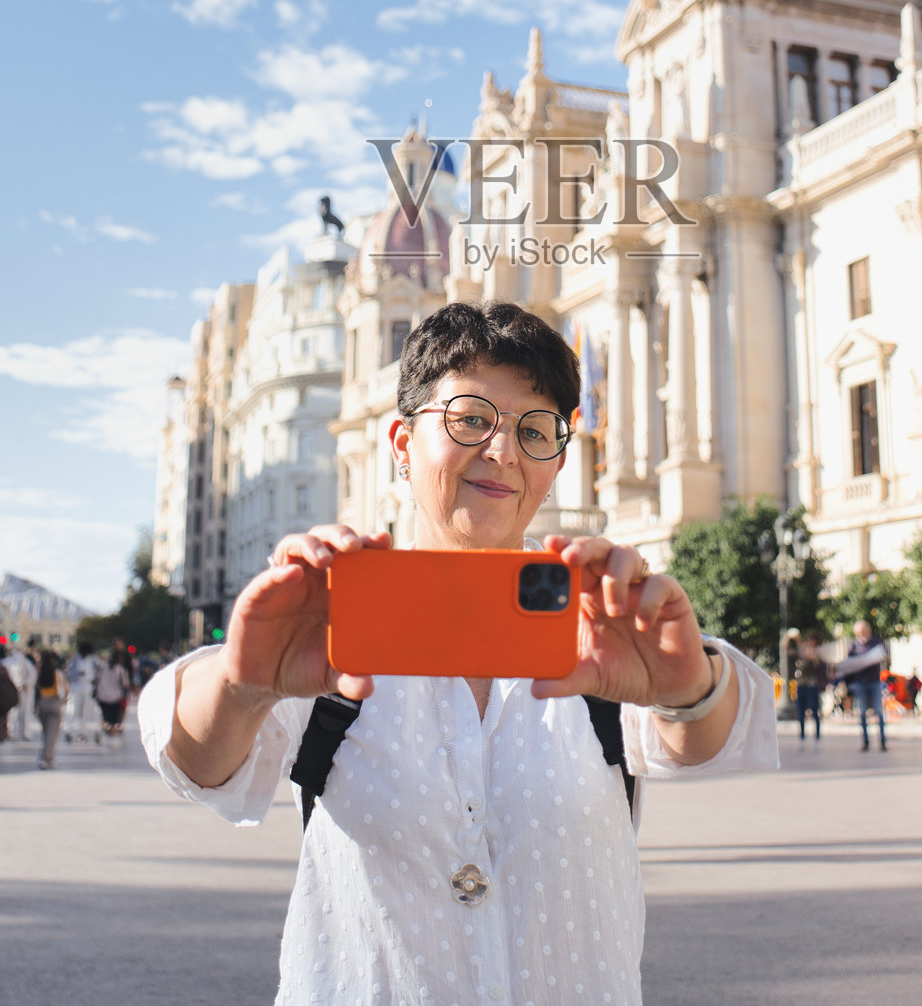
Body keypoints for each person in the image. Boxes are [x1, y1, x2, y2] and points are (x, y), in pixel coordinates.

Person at [141, 300, 778, 1005]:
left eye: (535, 431)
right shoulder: (329, 620)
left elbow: (702, 737)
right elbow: (199, 762)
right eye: (471, 419)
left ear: (557, 459)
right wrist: (243, 684)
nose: (503, 451)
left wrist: (686, 690)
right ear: (402, 442)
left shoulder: (595, 627)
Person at [838, 620, 888, 751]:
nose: (863, 633)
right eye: (860, 631)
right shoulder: (854, 646)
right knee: (862, 712)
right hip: (860, 682)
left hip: (874, 681)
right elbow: (848, 663)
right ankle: (865, 741)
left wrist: (882, 658)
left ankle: (882, 740)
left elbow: (885, 658)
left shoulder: (876, 643)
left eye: (865, 630)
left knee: (878, 711)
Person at [35, 650, 68, 769]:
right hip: (54, 703)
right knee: (52, 734)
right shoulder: (57, 673)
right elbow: (65, 689)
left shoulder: (39, 673)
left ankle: (47, 757)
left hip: (42, 703)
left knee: (46, 733)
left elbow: (36, 690)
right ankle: (48, 758)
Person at [793, 633, 827, 742]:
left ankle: (817, 735)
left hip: (812, 685)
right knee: (800, 710)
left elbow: (812, 658)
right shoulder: (802, 653)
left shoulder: (818, 653)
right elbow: (787, 649)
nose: (810, 642)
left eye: (812, 639)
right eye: (808, 639)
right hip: (801, 685)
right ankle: (802, 736)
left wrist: (799, 641)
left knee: (814, 710)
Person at [64, 639, 100, 742]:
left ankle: (83, 732)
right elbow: (69, 673)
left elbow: (98, 673)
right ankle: (69, 729)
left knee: (86, 710)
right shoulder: (75, 659)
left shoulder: (93, 660)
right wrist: (78, 674)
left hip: (88, 687)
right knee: (73, 709)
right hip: (76, 686)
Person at [94, 649, 131, 742]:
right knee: (114, 720)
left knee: (105, 716)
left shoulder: (102, 668)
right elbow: (125, 683)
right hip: (115, 697)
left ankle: (102, 730)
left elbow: (96, 680)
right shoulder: (120, 669)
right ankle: (111, 737)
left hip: (102, 696)